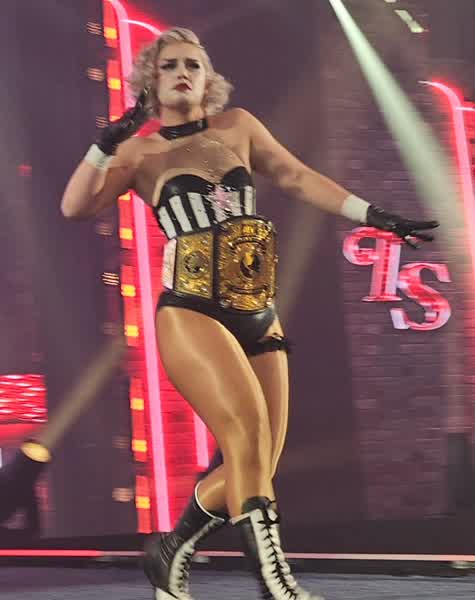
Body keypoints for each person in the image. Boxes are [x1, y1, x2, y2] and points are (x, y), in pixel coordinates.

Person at [61, 27, 438, 600]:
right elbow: (74, 208)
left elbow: (296, 176)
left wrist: (375, 215)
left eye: (193, 64)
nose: (183, 73)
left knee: (256, 460)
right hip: (190, 309)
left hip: (257, 309)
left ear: (207, 77)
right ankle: (276, 584)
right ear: (150, 81)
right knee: (245, 437)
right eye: (170, 65)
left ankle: (170, 549)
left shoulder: (238, 126)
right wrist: (105, 143)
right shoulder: (140, 153)